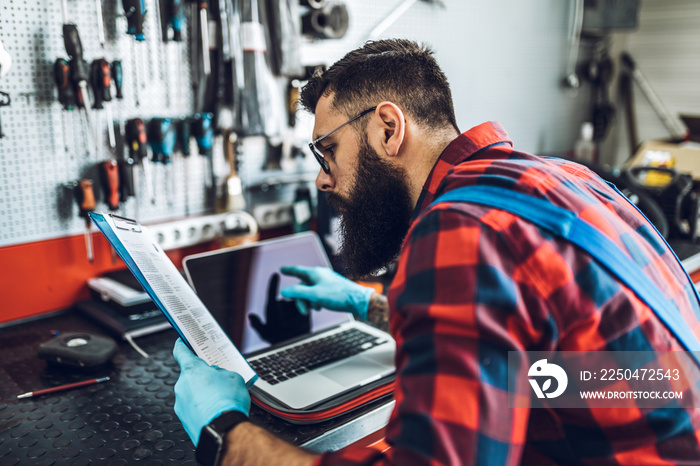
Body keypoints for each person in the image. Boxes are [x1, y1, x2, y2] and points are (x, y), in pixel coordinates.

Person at [172, 38, 700, 465]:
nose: (321, 178)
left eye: (328, 150)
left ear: (387, 128)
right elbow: (556, 368)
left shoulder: (460, 229)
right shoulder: (564, 177)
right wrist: (373, 305)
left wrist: (226, 434)